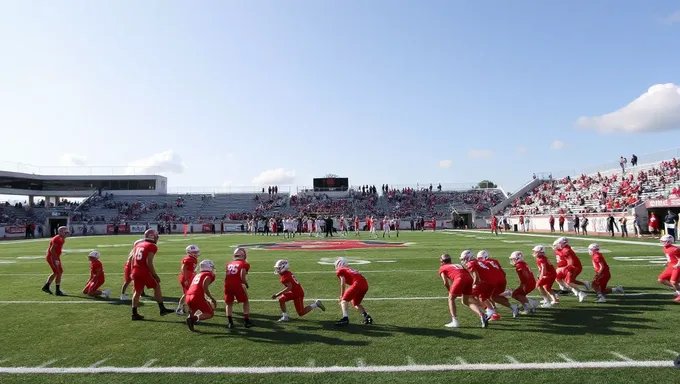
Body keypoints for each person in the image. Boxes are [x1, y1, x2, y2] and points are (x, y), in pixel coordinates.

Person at [130, 229, 174, 320]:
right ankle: (162, 309)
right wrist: (155, 275)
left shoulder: (138, 244)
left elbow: (132, 259)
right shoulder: (151, 246)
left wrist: (132, 271)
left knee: (137, 292)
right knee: (156, 286)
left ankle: (134, 313)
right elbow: (149, 262)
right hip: (143, 271)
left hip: (135, 270)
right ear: (153, 236)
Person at [439, 253, 488, 328]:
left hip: (460, 279)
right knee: (465, 301)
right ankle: (482, 315)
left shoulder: (442, 267)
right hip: (469, 279)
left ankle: (454, 321)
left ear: (442, 261)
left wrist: (449, 290)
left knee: (451, 298)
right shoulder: (457, 265)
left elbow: (445, 282)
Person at [477, 250, 519, 319]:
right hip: (501, 280)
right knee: (493, 296)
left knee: (483, 296)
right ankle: (511, 306)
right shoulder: (494, 261)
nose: (479, 260)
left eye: (480, 258)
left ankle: (491, 312)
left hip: (494, 281)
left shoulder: (483, 263)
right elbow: (502, 272)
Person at [333, 257, 372, 326]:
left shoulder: (341, 270)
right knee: (356, 303)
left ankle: (345, 318)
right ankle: (367, 317)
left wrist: (342, 295)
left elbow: (343, 282)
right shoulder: (349, 269)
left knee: (344, 301)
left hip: (357, 284)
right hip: (365, 284)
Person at [459, 250, 494, 319]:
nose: (463, 260)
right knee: (480, 296)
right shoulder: (478, 261)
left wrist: (473, 285)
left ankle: (490, 311)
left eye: (464, 258)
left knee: (469, 296)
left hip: (485, 282)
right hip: (490, 281)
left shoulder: (471, 264)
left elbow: (476, 277)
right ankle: (490, 309)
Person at [185, 260, 218, 331]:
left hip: (188, 295)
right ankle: (193, 319)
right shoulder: (209, 274)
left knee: (193, 310)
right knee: (209, 313)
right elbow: (204, 286)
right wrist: (211, 298)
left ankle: (191, 324)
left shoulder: (197, 275)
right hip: (197, 296)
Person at [553, 237, 588, 302]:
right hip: (568, 266)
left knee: (569, 282)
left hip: (573, 267)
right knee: (558, 277)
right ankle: (568, 289)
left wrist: (564, 268)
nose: (555, 246)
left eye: (557, 244)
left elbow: (571, 262)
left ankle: (580, 292)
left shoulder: (566, 250)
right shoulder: (561, 249)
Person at [224, 247, 252, 328]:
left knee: (229, 303)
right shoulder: (244, 264)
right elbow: (242, 275)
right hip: (237, 284)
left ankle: (230, 322)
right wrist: (246, 284)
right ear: (244, 255)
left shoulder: (229, 264)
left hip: (227, 284)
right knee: (245, 301)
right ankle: (246, 321)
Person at [42, 226, 70, 296]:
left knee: (56, 272)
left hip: (54, 257)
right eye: (65, 232)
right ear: (61, 232)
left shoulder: (61, 238)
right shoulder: (57, 239)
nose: (67, 233)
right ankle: (57, 290)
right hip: (52, 257)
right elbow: (52, 250)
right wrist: (55, 259)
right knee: (59, 272)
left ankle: (46, 287)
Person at [176, 245, 200, 315]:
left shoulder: (192, 258)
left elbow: (191, 269)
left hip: (189, 277)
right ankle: (183, 308)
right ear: (189, 252)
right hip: (186, 278)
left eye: (196, 252)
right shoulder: (189, 259)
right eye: (194, 252)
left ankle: (182, 308)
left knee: (188, 293)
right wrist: (186, 279)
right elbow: (183, 269)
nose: (196, 254)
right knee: (188, 294)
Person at [657, 234, 680, 302]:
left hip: (676, 266)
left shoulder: (674, 249)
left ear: (669, 241)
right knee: (661, 279)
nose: (662, 242)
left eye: (664, 241)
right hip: (671, 266)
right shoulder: (665, 248)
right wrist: (667, 262)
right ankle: (677, 290)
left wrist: (678, 264)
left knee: (673, 281)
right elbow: (670, 257)